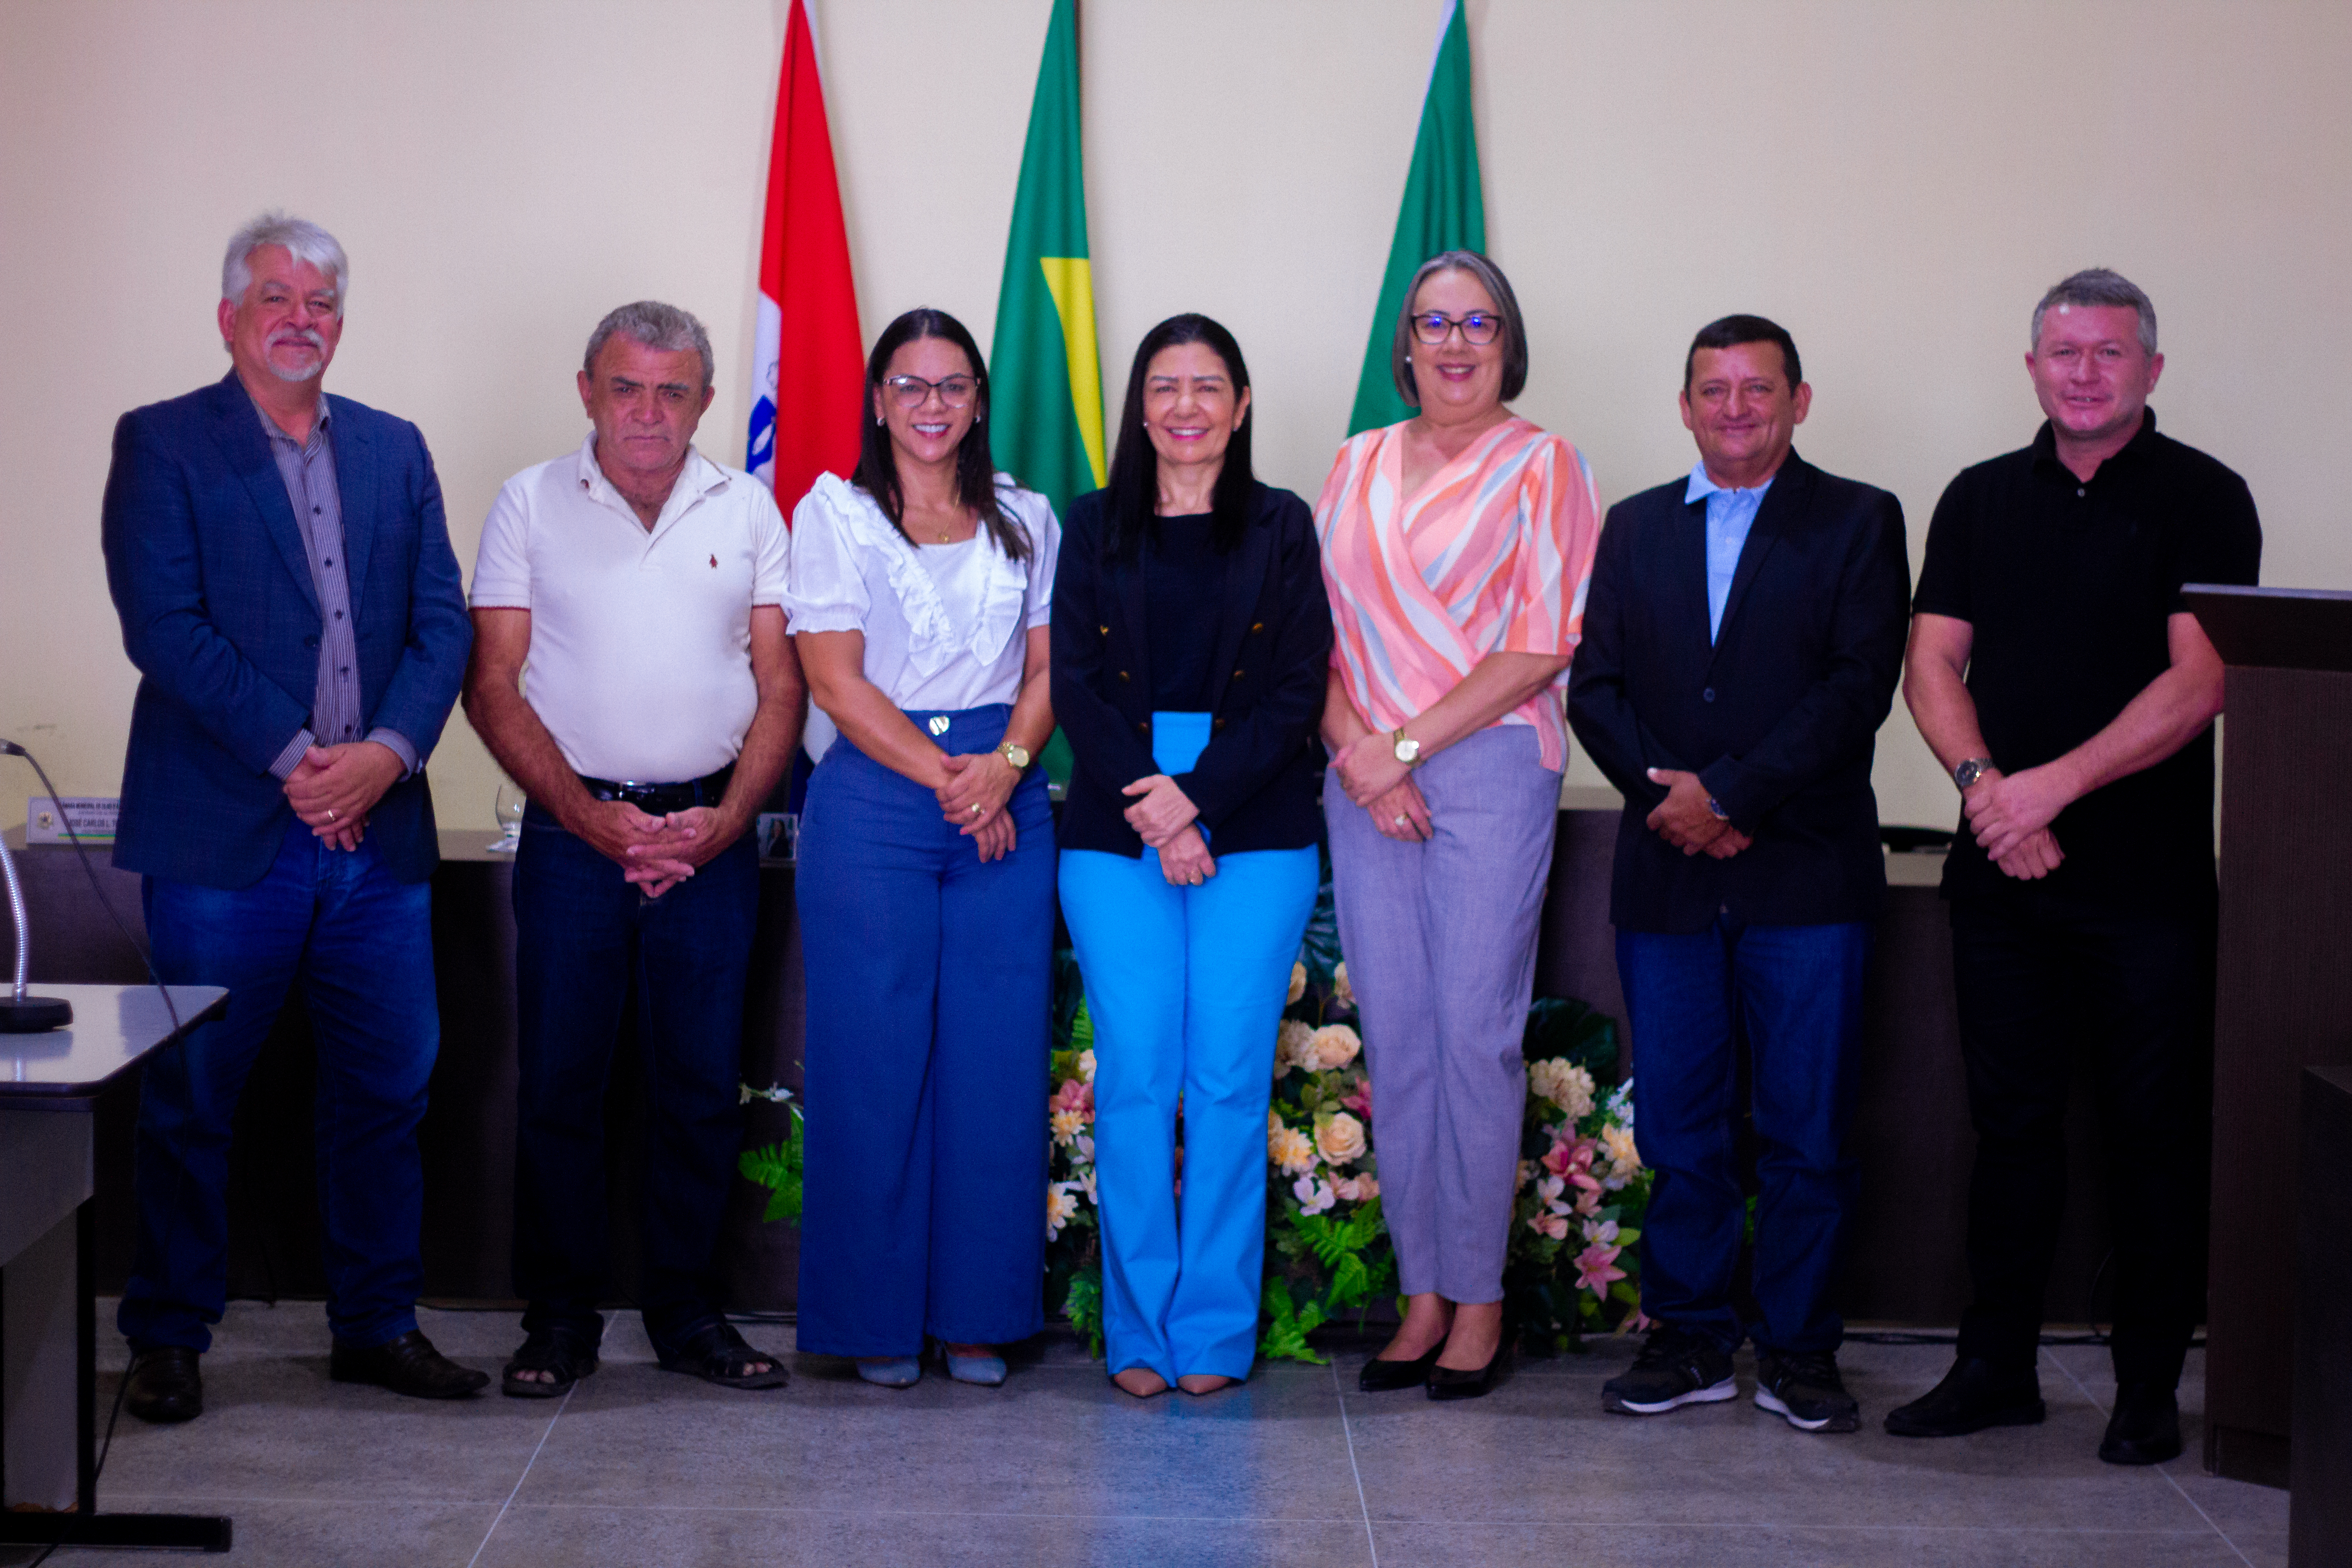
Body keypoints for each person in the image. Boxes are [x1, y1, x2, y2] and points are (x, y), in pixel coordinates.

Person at [101, 213, 479, 1421]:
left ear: (342, 321)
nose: (300, 316)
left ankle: (376, 1323)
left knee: (388, 1089)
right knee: (195, 1094)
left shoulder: (393, 448)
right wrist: (302, 759)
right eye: (276, 296)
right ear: (230, 317)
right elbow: (165, 630)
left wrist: (384, 755)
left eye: (321, 299)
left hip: (378, 839)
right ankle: (168, 1332)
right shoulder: (163, 446)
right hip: (226, 839)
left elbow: (442, 626)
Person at [1888, 269, 2260, 1465]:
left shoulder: (2205, 498)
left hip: (2145, 886)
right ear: (2033, 367)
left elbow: (2201, 681)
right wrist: (1988, 794)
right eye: (2063, 352)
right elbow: (1933, 663)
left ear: (2152, 369)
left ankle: (2150, 1386)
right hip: (2003, 880)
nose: (2084, 371)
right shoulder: (1983, 496)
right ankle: (1994, 1367)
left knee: (2153, 1133)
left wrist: (2046, 789)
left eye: (2109, 353)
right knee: (2010, 1127)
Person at [1566, 315, 1909, 1434]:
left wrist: (1733, 796)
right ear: (1684, 407)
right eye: (1712, 390)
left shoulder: (1859, 520)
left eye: (1756, 390)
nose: (1734, 409)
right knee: (1681, 1128)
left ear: (1798, 401)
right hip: (1667, 875)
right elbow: (1596, 690)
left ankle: (1803, 1351)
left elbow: (1856, 688)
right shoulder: (1632, 528)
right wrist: (1680, 806)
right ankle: (1693, 1337)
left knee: (1807, 1131)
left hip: (1804, 874)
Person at [462, 302, 803, 1396]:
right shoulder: (528, 503)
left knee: (699, 1088)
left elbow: (781, 687)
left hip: (711, 837)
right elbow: (492, 684)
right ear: (586, 391)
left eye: (672, 391)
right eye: (626, 387)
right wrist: (589, 817)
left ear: (706, 401)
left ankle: (687, 1316)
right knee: (563, 1085)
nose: (648, 413)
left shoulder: (748, 506)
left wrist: (722, 822)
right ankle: (558, 1321)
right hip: (573, 842)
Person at [1316, 251, 1604, 1400]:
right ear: (1405, 343)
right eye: (1432, 322)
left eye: (1477, 322)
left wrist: (1402, 749)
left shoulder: (1548, 466)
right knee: (1398, 1036)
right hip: (1361, 770)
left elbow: (1542, 642)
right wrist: (1363, 756)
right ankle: (1422, 1294)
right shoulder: (1353, 463)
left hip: (1486, 766)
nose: (1454, 342)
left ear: (1507, 340)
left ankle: (1480, 1300)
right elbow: (1315, 640)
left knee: (1475, 1037)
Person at [1053, 315, 1330, 1399]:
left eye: (1207, 386)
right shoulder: (1091, 524)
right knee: (1135, 1078)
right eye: (1163, 386)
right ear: (1140, 406)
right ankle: (1137, 1331)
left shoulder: (1283, 526)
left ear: (1242, 404)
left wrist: (1197, 803)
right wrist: (1158, 813)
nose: (1184, 406)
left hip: (1253, 824)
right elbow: (1076, 681)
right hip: (1117, 826)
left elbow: (1299, 689)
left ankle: (1212, 1332)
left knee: (1223, 1080)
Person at [785, 308, 1059, 1388]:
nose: (932, 405)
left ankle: (978, 1319)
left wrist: (1008, 765)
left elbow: (1046, 671)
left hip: (1008, 788)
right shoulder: (835, 515)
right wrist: (959, 780)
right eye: (911, 385)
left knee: (994, 1060)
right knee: (873, 1056)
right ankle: (874, 1324)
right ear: (879, 399)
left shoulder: (1030, 516)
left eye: (952, 386)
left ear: (978, 400)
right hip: (880, 799)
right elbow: (835, 682)